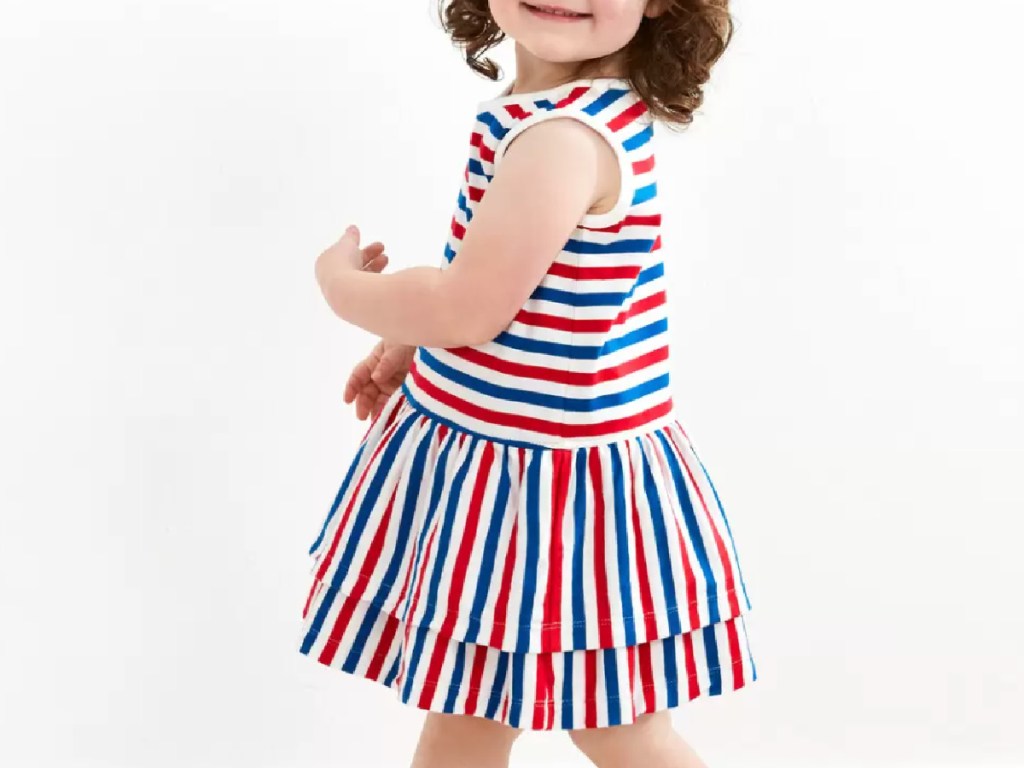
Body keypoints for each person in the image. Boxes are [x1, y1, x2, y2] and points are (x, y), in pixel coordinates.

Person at [299, 1, 756, 765]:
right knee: (515, 714)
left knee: (578, 723)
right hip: (528, 473)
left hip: (545, 495)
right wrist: (416, 343)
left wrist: (338, 287)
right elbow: (533, 300)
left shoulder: (563, 141)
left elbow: (467, 305)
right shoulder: (555, 116)